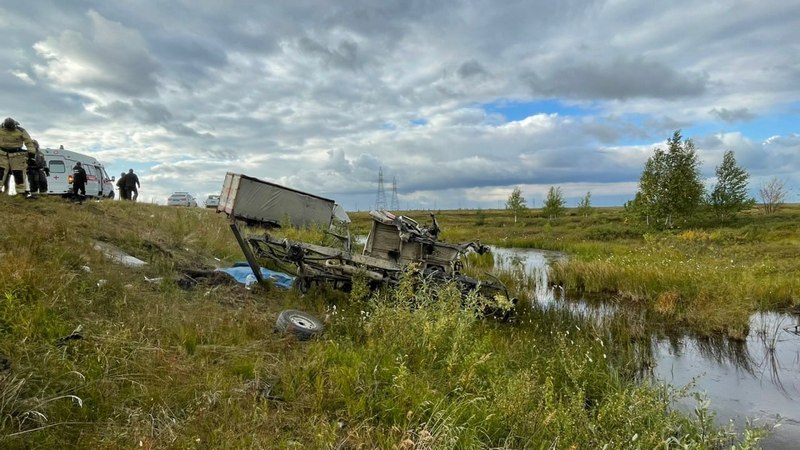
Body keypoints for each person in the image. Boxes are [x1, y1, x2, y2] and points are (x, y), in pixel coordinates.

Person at [0, 117, 37, 197]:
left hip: (16, 155)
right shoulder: (0, 129)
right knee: (0, 172)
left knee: (18, 173)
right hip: (2, 154)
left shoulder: (21, 131)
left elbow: (29, 143)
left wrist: (32, 156)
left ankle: (21, 193)